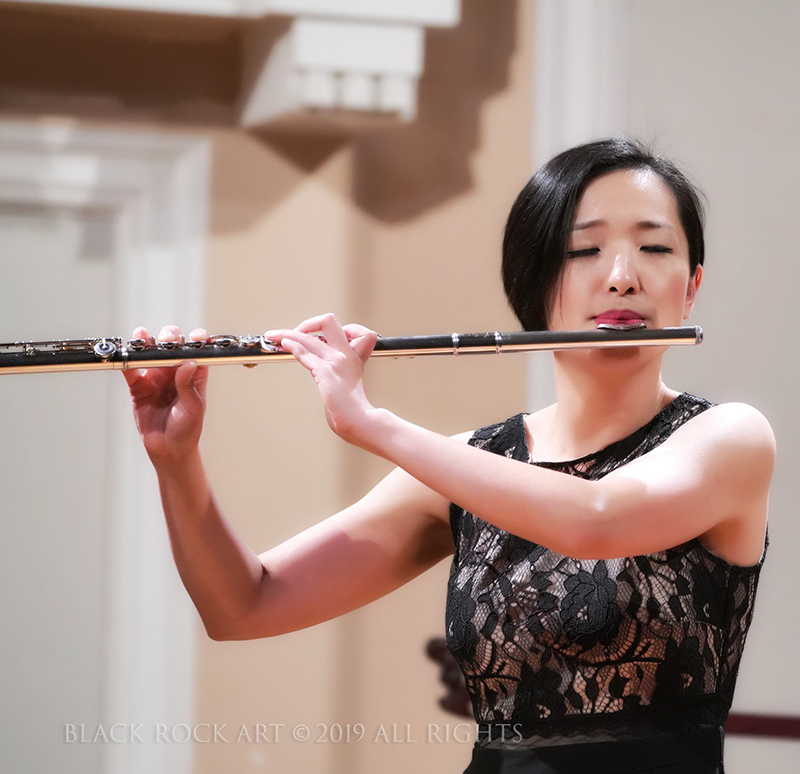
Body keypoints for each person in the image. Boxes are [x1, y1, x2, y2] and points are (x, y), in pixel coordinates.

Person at [122, 137, 775, 773]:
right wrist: (175, 460)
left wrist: (373, 425)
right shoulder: (470, 463)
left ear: (691, 285)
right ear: (536, 281)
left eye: (655, 247)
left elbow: (596, 520)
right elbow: (244, 606)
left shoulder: (730, 438)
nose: (623, 277)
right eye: (584, 250)